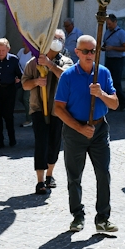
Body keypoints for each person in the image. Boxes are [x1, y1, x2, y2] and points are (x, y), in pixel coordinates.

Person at [53, 35, 119, 233]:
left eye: (94, 51)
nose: (91, 55)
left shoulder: (104, 73)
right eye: (86, 51)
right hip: (75, 132)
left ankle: (103, 218)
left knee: (104, 173)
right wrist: (79, 128)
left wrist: (101, 95)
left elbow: (115, 103)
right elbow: (58, 108)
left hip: (99, 130)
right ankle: (77, 215)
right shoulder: (68, 76)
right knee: (74, 176)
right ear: (78, 52)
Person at [22, 29, 73, 195]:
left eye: (60, 39)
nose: (57, 41)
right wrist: (36, 81)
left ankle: (50, 174)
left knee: (54, 142)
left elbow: (66, 77)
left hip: (58, 109)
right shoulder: (34, 62)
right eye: (54, 38)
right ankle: (40, 180)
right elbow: (25, 84)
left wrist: (50, 65)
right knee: (41, 142)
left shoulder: (66, 61)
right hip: (38, 108)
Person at [102, 14, 125, 110]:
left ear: (115, 22)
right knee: (108, 81)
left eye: (110, 24)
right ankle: (111, 102)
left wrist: (113, 48)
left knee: (116, 82)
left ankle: (122, 103)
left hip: (118, 60)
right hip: (109, 58)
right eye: (107, 24)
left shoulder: (121, 33)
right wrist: (103, 48)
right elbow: (105, 43)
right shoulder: (107, 32)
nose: (108, 26)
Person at [16, 41, 33, 127]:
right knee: (19, 97)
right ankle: (32, 111)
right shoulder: (21, 51)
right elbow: (16, 63)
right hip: (21, 78)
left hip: (30, 79)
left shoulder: (33, 53)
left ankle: (29, 119)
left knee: (26, 98)